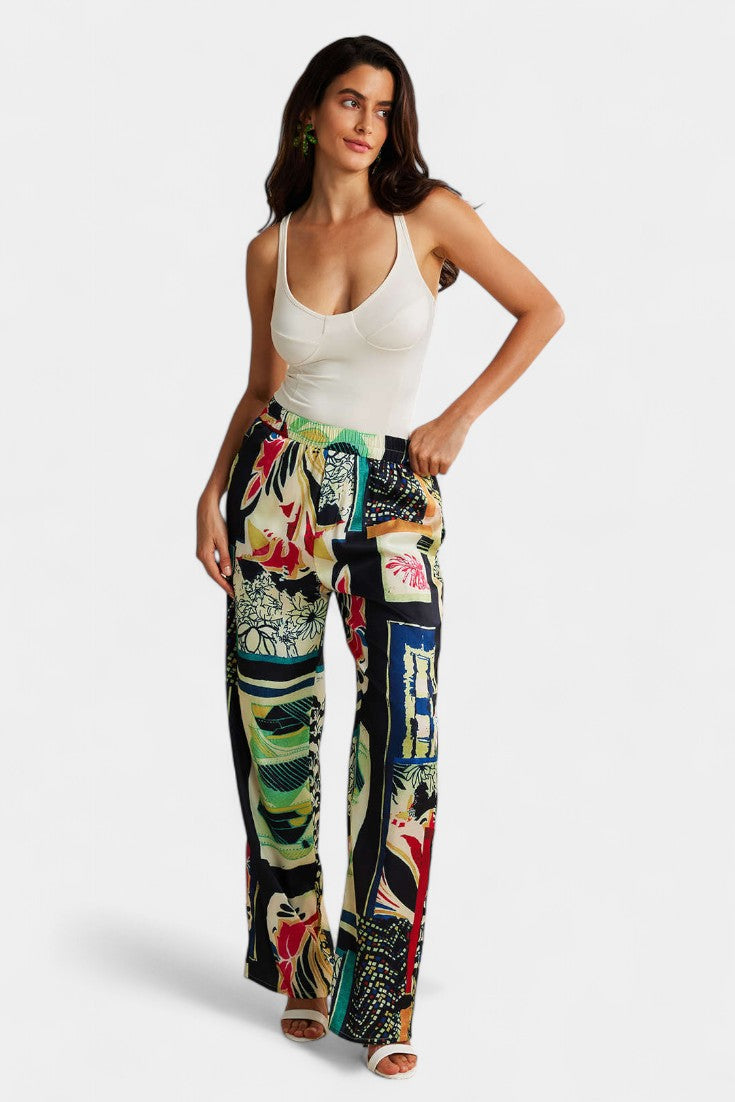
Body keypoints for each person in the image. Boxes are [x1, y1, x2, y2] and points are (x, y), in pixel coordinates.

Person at [196, 35, 564, 1080]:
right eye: (350, 101)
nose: (367, 122)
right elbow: (263, 388)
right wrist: (210, 493)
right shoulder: (269, 249)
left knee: (403, 740)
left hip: (395, 498)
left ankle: (381, 991)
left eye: (385, 108)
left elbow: (541, 309)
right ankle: (303, 964)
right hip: (275, 496)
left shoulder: (427, 217)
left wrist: (457, 419)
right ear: (311, 113)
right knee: (275, 734)